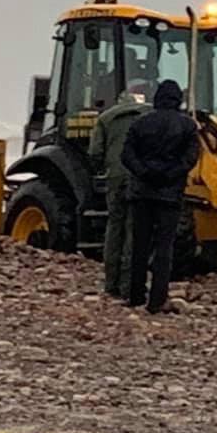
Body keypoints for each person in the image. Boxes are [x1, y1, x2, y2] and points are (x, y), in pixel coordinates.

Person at [121, 80, 199, 313]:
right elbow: (190, 158)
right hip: (170, 194)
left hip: (142, 192)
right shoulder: (187, 126)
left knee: (140, 245)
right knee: (165, 248)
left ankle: (135, 295)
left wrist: (145, 172)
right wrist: (170, 174)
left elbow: (127, 155)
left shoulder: (140, 122)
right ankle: (157, 299)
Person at [88, 89, 150, 299]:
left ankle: (110, 283)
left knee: (114, 227)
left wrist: (102, 169)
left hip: (115, 176)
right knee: (134, 228)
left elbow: (95, 152)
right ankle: (128, 284)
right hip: (139, 176)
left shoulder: (106, 118)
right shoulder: (148, 116)